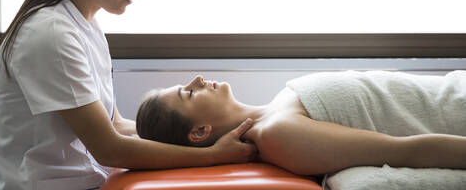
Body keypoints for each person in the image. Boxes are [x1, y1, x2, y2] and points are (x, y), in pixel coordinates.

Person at [0, 0, 256, 190]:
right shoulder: (51, 33)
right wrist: (213, 156)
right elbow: (109, 148)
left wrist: (208, 139)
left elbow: (116, 126)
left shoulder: (84, 26)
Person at [136, 71, 466, 176]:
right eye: (188, 94)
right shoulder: (278, 135)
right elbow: (402, 151)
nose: (196, 79)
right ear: (199, 132)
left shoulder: (275, 109)